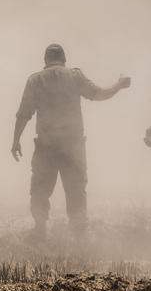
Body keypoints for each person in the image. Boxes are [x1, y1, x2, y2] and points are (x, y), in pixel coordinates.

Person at [11, 44, 130, 240]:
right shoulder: (74, 76)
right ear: (64, 59)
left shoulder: (35, 80)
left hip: (46, 146)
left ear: (45, 60)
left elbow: (23, 114)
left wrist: (15, 141)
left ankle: (40, 230)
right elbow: (99, 94)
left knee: (40, 189)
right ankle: (79, 235)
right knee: (76, 190)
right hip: (72, 145)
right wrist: (118, 85)